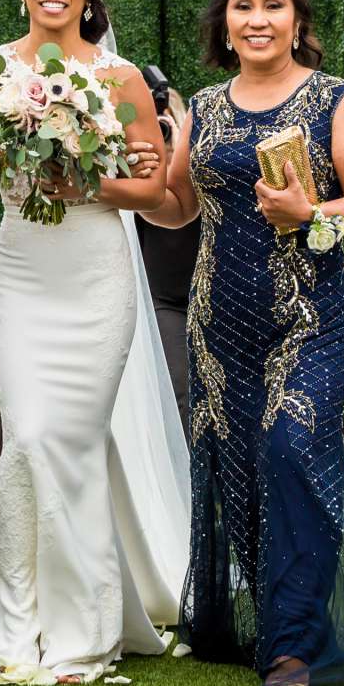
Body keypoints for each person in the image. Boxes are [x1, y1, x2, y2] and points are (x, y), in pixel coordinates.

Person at [146, 0, 344, 686]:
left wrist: (311, 213)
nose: (257, 19)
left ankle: (293, 648)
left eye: (272, 5)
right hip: (218, 325)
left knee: (290, 449)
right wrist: (118, 187)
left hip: (309, 316)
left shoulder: (333, 101)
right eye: (243, 6)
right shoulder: (205, 110)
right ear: (225, 21)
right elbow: (178, 206)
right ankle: (281, 624)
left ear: (298, 19)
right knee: (240, 475)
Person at [0, 0, 183, 682]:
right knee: (29, 438)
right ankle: (9, 624)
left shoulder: (121, 78)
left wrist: (85, 181)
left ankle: (84, 635)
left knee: (72, 444)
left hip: (96, 277)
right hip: (21, 279)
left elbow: (154, 187)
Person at [135, 77, 200, 432]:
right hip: (164, 298)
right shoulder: (142, 166)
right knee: (178, 391)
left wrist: (180, 155)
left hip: (209, 291)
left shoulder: (200, 160)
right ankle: (183, 482)